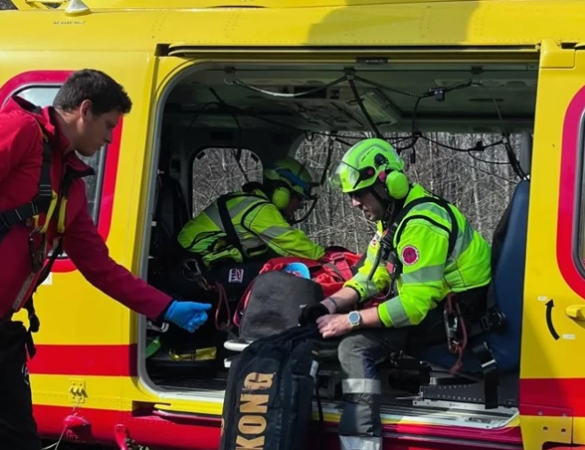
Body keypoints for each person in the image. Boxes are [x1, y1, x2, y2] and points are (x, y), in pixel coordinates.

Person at [0, 69, 210, 450]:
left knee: (16, 441)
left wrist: (165, 307)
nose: (109, 138)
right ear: (85, 110)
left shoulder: (68, 183)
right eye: (109, 125)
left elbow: (99, 267)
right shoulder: (16, 132)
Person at [300, 138, 492, 450]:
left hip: (459, 314)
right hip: (441, 305)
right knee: (345, 329)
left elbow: (414, 307)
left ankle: (361, 443)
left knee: (353, 346)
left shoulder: (421, 224)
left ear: (388, 184)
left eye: (359, 194)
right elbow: (371, 275)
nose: (354, 203)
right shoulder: (394, 217)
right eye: (350, 196)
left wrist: (349, 320)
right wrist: (329, 304)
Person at [177, 156, 326, 270]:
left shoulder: (252, 201)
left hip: (194, 262)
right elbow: (290, 241)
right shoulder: (259, 209)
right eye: (299, 198)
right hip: (193, 268)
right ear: (283, 193)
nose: (300, 206)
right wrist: (326, 258)